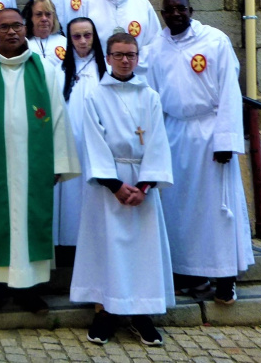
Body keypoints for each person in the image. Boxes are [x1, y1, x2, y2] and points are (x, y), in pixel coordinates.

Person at [0, 8, 79, 315]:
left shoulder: (45, 70)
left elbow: (59, 118)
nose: (11, 32)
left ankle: (30, 292)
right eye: (4, 27)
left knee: (30, 224)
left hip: (32, 166)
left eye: (17, 26)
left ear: (26, 29)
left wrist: (57, 164)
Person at [146, 0, 254, 304]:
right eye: (170, 10)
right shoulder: (154, 49)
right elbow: (152, 98)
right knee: (179, 210)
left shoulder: (214, 41)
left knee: (218, 210)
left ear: (191, 10)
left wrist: (226, 140)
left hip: (210, 134)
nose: (176, 13)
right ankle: (190, 274)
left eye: (181, 8)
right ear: (163, 14)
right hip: (174, 133)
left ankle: (225, 279)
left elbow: (230, 92)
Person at [70, 32, 174, 347]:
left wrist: (143, 186)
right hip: (108, 184)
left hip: (142, 181)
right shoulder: (95, 95)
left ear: (137, 58)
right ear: (109, 58)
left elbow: (157, 142)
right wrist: (115, 185)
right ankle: (106, 312)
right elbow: (93, 141)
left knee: (142, 252)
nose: (125, 60)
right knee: (107, 249)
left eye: (130, 54)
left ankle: (142, 314)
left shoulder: (150, 96)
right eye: (118, 55)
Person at [55, 17, 107, 248]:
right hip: (70, 146)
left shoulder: (106, 70)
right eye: (76, 36)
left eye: (88, 35)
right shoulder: (60, 71)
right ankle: (69, 244)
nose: (83, 41)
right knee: (71, 200)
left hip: (99, 147)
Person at [84, 0, 161, 71]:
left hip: (136, 76)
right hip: (97, 74)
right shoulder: (89, 4)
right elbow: (79, 41)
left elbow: (155, 43)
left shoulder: (143, 5)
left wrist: (132, 64)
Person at [23, 0, 67, 69]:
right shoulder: (24, 44)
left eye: (48, 14)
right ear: (30, 18)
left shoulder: (65, 42)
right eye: (39, 14)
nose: (44, 19)